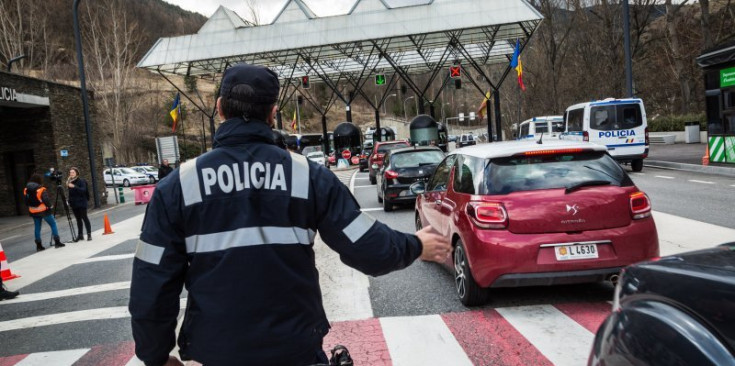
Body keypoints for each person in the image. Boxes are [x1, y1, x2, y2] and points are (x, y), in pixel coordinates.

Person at [129, 63, 452, 366]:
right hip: (294, 349)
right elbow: (365, 245)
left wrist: (155, 356)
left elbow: (152, 281)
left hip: (217, 352)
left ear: (219, 108)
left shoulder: (179, 186)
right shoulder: (306, 177)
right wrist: (415, 245)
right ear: (273, 114)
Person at [24, 173, 65, 250]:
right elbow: (45, 199)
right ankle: (57, 242)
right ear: (39, 180)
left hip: (33, 210)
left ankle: (39, 245)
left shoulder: (26, 189)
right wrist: (50, 206)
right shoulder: (41, 189)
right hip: (44, 210)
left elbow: (26, 200)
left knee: (37, 227)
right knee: (53, 224)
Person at [67, 167, 92, 241]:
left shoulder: (81, 181)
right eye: (70, 172)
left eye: (73, 172)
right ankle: (80, 235)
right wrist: (69, 200)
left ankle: (89, 234)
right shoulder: (69, 182)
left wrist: (74, 186)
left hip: (81, 202)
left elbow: (83, 190)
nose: (71, 174)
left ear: (77, 173)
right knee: (78, 219)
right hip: (74, 203)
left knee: (84, 218)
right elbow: (71, 193)